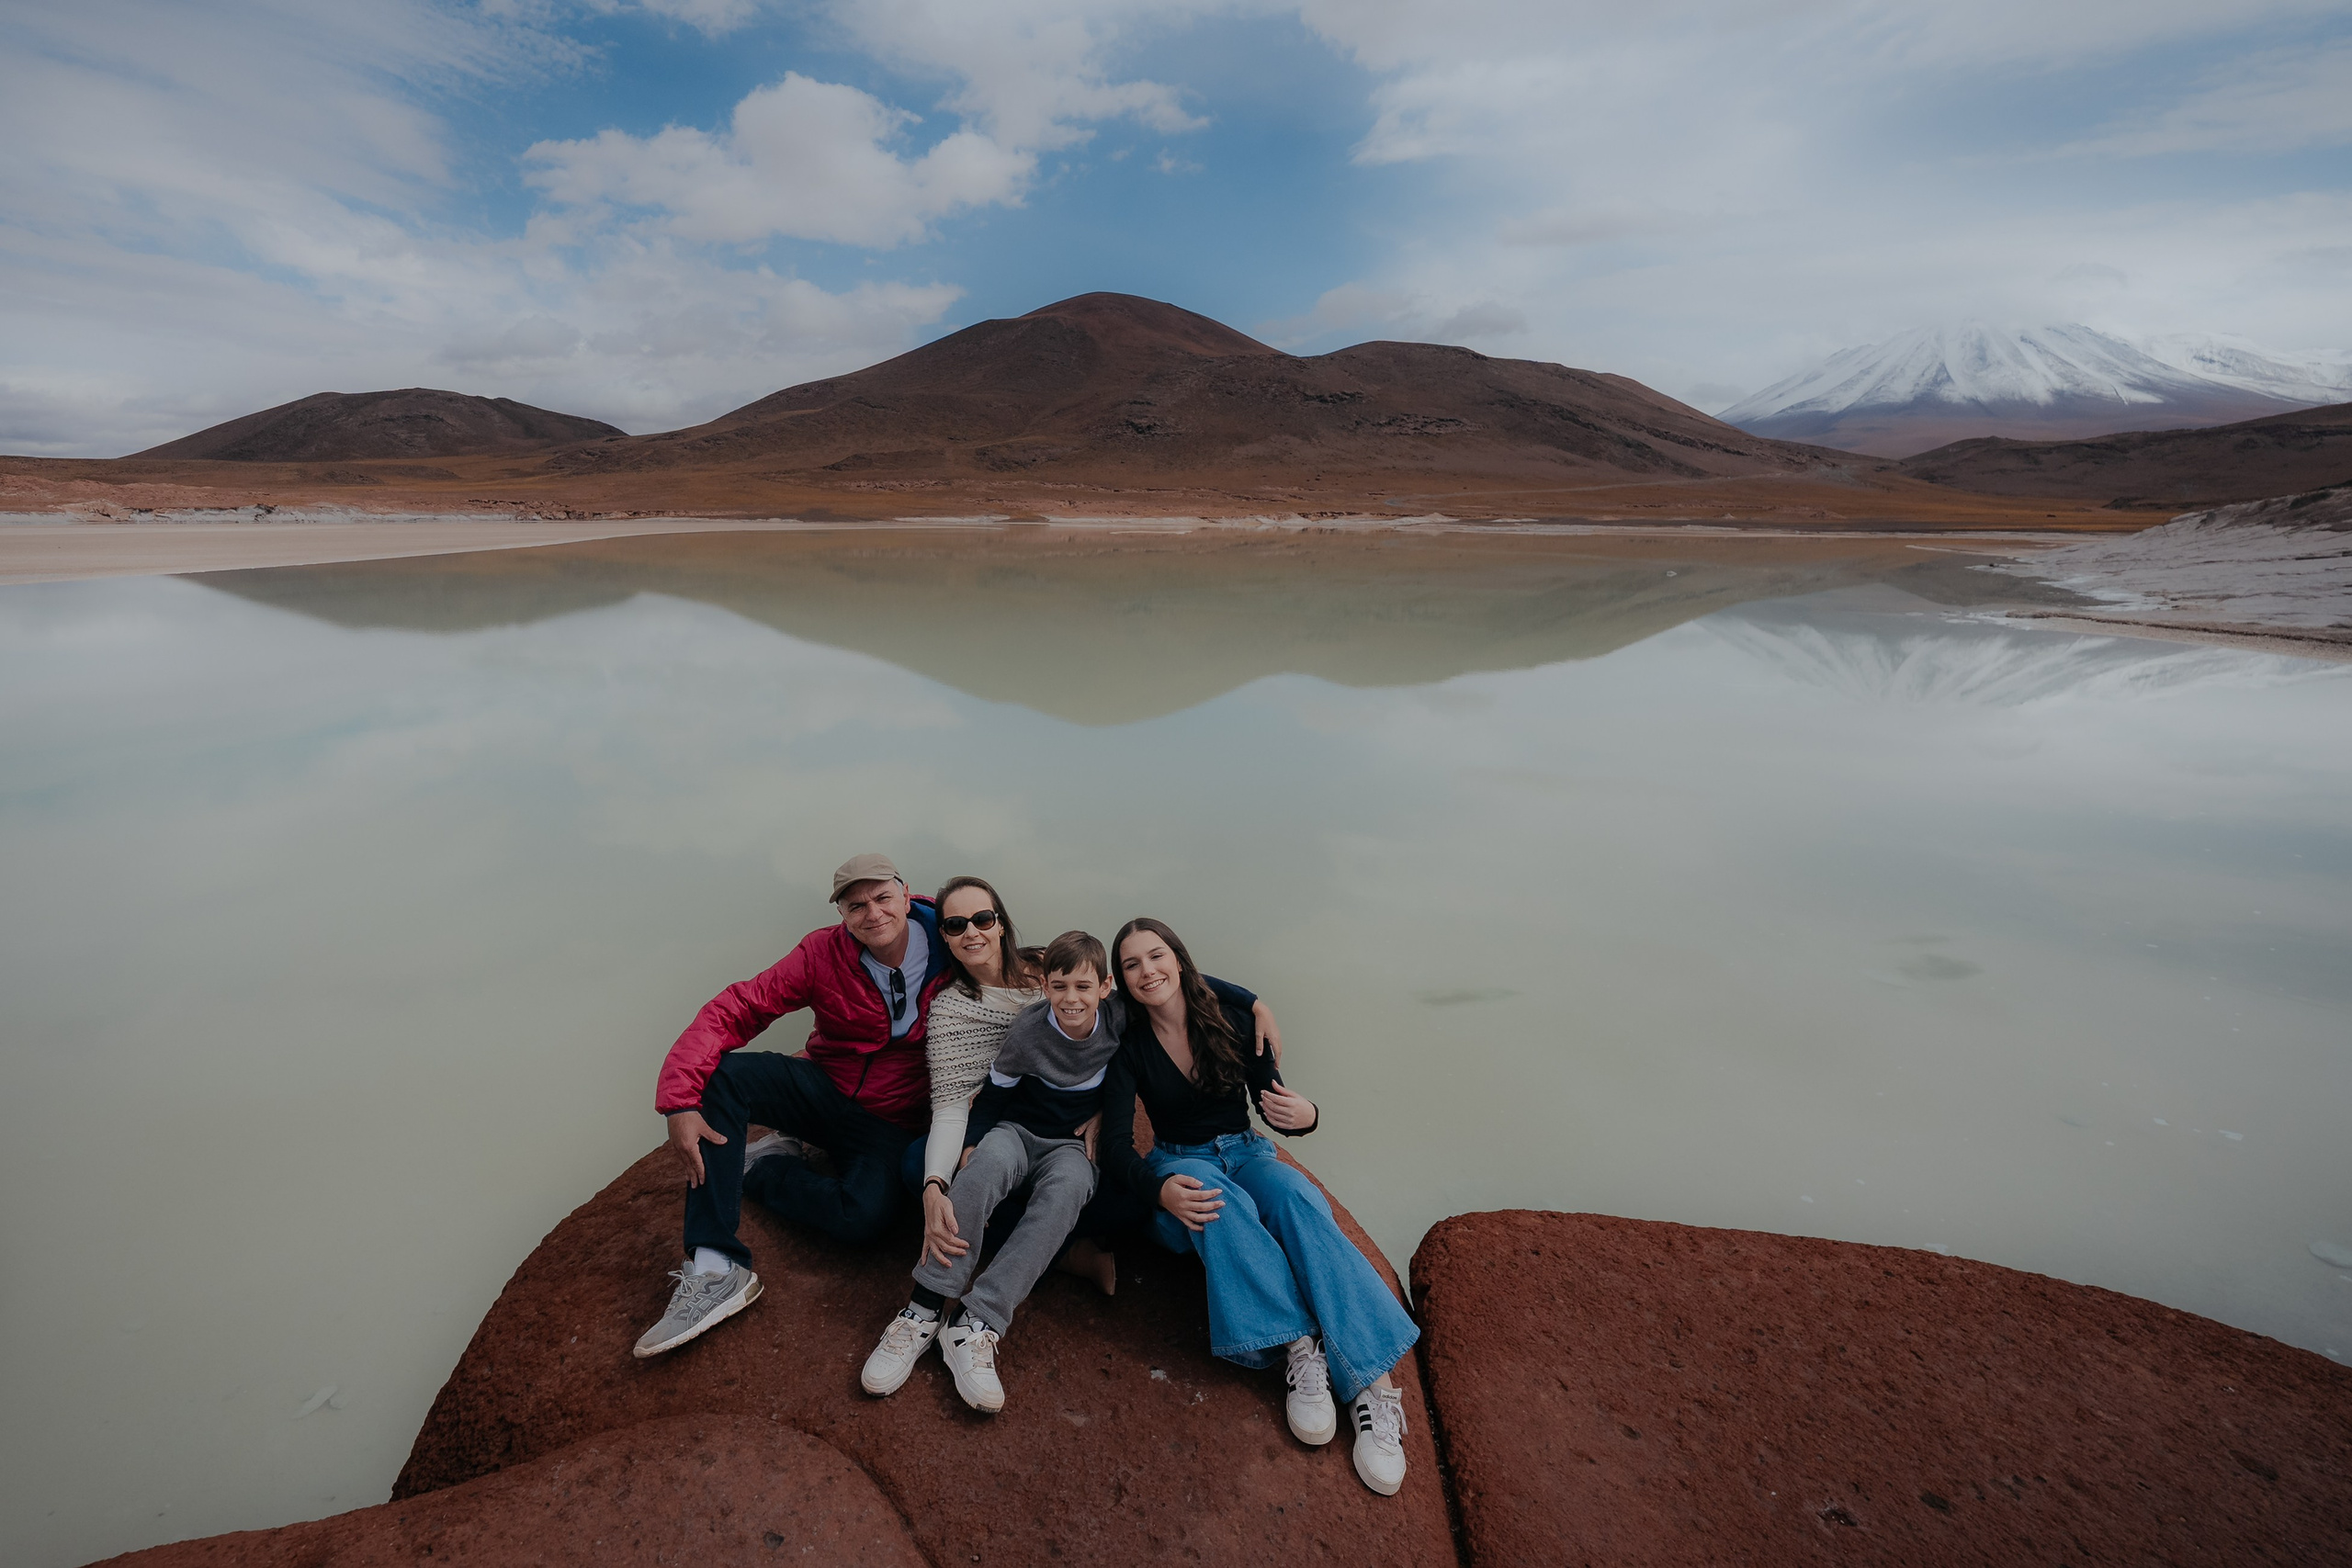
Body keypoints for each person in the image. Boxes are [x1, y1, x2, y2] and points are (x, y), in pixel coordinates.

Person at [1098, 918, 1419, 1497]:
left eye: (1157, 956)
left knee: (1298, 1199)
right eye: (1131, 964)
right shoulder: (1128, 1045)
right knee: (1211, 1200)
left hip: (1246, 1149)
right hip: (1181, 1159)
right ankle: (1301, 1349)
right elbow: (1119, 1146)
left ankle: (1374, 1385)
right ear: (1121, 979)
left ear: (1178, 957)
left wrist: (1311, 1114)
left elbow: (1279, 1110)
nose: (1148, 971)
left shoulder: (1233, 1019)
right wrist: (1159, 1189)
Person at [634, 853, 947, 1359]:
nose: (873, 913)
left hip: (890, 1121)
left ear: (906, 894)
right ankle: (715, 1268)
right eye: (855, 905)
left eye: (883, 898)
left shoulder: (954, 943)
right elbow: (738, 1007)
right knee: (724, 1074)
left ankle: (764, 1167)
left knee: (861, 1220)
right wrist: (678, 1099)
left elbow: (1018, 989)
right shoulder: (822, 953)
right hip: (821, 1088)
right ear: (842, 914)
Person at [910, 874, 1283, 1298]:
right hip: (1008, 1126)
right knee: (921, 1170)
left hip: (1068, 1138)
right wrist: (941, 1178)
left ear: (1000, 923)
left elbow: (1161, 983)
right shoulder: (952, 1009)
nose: (972, 932)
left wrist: (1253, 1002)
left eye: (982, 918)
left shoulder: (1048, 964)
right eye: (956, 925)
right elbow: (959, 1105)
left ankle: (1049, 1245)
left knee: (1125, 1204)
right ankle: (1058, 1253)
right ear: (944, 934)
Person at [861, 930, 1125, 1413]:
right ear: (1044, 986)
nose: (1071, 998)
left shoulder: (1118, 1020)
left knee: (1070, 1190)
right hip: (1017, 1130)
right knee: (983, 1170)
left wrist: (1255, 1004)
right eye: (1060, 986)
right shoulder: (1028, 1030)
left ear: (1105, 986)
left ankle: (976, 1322)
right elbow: (997, 1093)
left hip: (1070, 1145)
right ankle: (923, 1306)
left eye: (1084, 987)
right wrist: (973, 1142)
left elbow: (1183, 983)